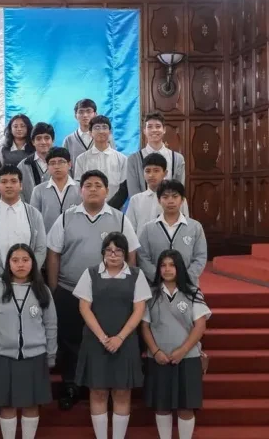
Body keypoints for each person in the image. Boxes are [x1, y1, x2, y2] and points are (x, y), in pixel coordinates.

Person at [45, 170, 140, 411]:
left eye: (99, 185)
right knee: (71, 340)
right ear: (81, 190)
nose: (94, 189)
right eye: (88, 185)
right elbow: (54, 253)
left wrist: (127, 286)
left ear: (107, 191)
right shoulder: (66, 218)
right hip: (70, 289)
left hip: (108, 293)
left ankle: (100, 387)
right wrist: (55, 288)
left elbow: (130, 254)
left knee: (104, 338)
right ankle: (71, 385)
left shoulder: (119, 218)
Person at [73, 232, 151, 439]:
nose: (113, 254)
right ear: (102, 253)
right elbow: (84, 308)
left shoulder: (136, 275)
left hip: (125, 342)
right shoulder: (90, 274)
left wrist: (119, 338)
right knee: (97, 391)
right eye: (109, 250)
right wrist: (103, 337)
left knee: (122, 391)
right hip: (96, 341)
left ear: (125, 254)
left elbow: (139, 310)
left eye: (119, 250)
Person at [0, 244, 57, 439]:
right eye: (15, 260)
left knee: (31, 404)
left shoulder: (43, 290)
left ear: (33, 262)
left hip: (35, 355)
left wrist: (51, 354)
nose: (20, 265)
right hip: (2, 356)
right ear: (8, 264)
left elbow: (51, 325)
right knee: (7, 405)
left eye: (25, 260)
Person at [142, 250, 210, 439]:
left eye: (171, 265)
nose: (167, 269)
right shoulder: (151, 294)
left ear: (179, 267)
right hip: (159, 359)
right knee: (162, 406)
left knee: (186, 407)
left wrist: (183, 350)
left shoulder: (193, 292)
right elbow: (145, 327)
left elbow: (200, 325)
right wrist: (155, 352)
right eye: (163, 265)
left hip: (188, 358)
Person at [0, 165, 47, 281]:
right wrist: (4, 275)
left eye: (14, 181)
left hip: (30, 281)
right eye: (4, 182)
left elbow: (41, 249)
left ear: (21, 186)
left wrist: (27, 274)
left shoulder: (34, 214)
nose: (9, 185)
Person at [137, 180, 207, 285]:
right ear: (159, 200)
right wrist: (158, 277)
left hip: (187, 285)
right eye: (165, 197)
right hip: (156, 286)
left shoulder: (195, 227)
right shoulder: (148, 228)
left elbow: (200, 257)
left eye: (175, 197)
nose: (170, 201)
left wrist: (185, 278)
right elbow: (142, 257)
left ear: (182, 200)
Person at [127, 111, 186, 198]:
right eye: (149, 127)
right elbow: (133, 192)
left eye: (158, 126)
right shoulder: (133, 159)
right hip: (143, 208)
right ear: (144, 131)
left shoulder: (177, 159)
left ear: (164, 130)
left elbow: (179, 190)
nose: (154, 130)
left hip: (169, 207)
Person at [74, 116, 128, 209]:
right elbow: (79, 186)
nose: (101, 131)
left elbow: (124, 189)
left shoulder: (122, 159)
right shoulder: (81, 159)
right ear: (90, 133)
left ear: (110, 132)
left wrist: (110, 207)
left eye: (104, 127)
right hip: (89, 208)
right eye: (97, 127)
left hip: (116, 209)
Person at [127, 154, 190, 233]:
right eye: (147, 171)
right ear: (143, 173)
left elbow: (185, 226)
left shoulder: (178, 199)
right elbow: (129, 230)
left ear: (165, 173)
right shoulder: (135, 200)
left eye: (156, 170)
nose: (151, 175)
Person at [29, 147, 82, 234]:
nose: (57, 166)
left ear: (69, 165)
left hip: (75, 240)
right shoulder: (38, 190)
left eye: (61, 162)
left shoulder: (81, 188)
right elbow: (34, 220)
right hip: (47, 240)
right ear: (47, 166)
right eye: (52, 163)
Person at [17, 123, 54, 202]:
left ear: (53, 140)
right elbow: (18, 193)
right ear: (33, 142)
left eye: (47, 138)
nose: (43, 142)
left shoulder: (62, 164)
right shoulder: (23, 166)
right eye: (38, 138)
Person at [62, 99, 97, 176]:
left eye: (88, 111)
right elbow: (65, 166)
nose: (85, 115)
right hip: (77, 185)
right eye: (81, 112)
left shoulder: (105, 138)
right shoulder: (68, 140)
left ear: (95, 114)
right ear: (75, 116)